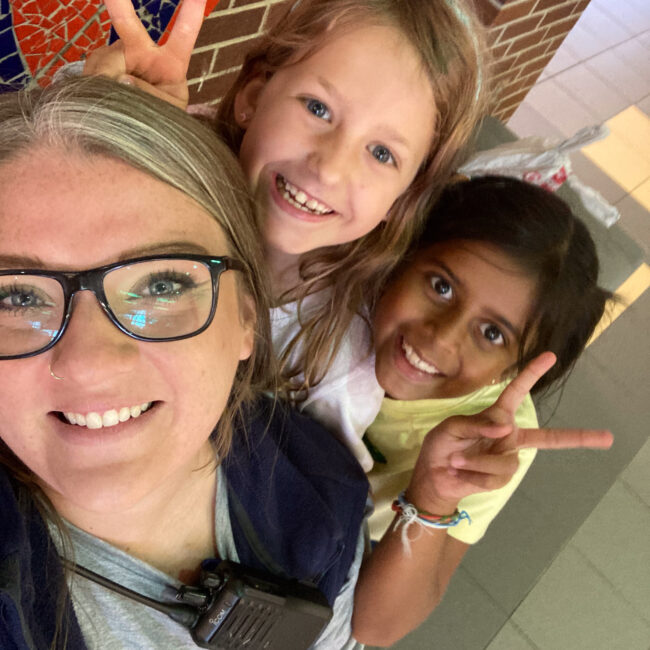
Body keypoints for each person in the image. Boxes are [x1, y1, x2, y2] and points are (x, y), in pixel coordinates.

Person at [0, 75, 368, 649]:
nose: (89, 366)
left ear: (247, 316)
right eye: (17, 298)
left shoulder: (324, 485)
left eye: (161, 284)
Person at [82, 0, 489, 469]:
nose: (330, 168)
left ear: (402, 197)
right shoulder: (162, 157)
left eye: (381, 153)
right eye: (318, 108)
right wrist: (108, 132)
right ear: (253, 97)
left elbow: (294, 504)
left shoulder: (340, 364)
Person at [351, 176, 615, 644]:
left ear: (511, 370)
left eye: (492, 334)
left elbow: (375, 626)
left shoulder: (495, 438)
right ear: (404, 254)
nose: (441, 337)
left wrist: (433, 498)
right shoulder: (344, 291)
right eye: (441, 286)